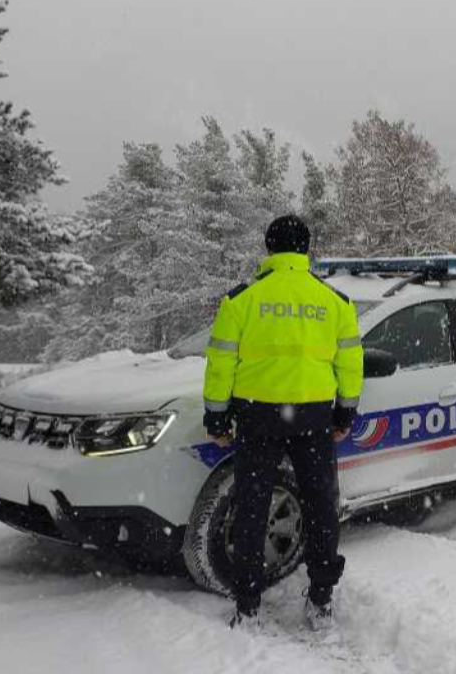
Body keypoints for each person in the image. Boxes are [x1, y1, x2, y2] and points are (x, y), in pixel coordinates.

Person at [202, 215, 363, 629]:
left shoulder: (241, 300)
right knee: (321, 505)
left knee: (253, 506)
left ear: (269, 249)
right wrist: (344, 413)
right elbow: (350, 364)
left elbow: (220, 364)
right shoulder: (334, 302)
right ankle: (322, 598)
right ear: (306, 250)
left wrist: (217, 418)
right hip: (313, 416)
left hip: (257, 415)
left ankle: (248, 605)